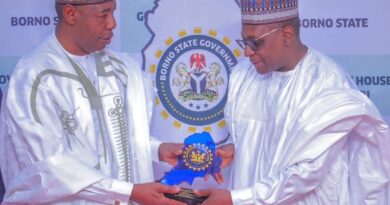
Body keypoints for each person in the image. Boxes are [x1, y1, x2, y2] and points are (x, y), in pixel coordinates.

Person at [196, 0, 390, 204]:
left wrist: (237, 199)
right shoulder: (242, 75)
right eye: (244, 42)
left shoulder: (327, 84)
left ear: (287, 34)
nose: (247, 52)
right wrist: (234, 149)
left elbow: (305, 173)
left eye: (255, 42)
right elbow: (256, 139)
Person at [0, 0, 186, 204]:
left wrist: (157, 150)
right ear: (71, 14)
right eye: (103, 14)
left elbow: (114, 141)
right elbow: (51, 169)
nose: (112, 23)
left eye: (114, 12)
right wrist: (128, 192)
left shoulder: (118, 67)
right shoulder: (34, 78)